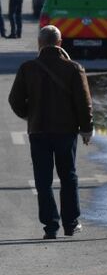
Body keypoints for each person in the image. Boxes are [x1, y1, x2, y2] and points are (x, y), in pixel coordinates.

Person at [8, 25, 94, 239]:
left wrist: (29, 115)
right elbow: (84, 103)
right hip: (66, 131)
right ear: (60, 43)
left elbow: (15, 100)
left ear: (40, 43)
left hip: (38, 131)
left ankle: (50, 226)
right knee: (68, 176)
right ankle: (71, 223)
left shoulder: (28, 68)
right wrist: (86, 129)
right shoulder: (74, 68)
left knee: (43, 180)